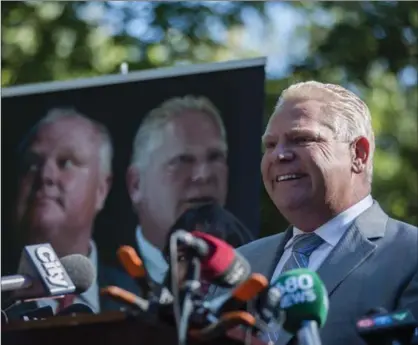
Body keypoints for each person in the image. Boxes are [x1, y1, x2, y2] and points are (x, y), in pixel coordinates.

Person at [237, 81, 417, 345]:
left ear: (359, 154)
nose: (279, 155)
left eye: (302, 139)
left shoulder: (410, 255)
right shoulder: (239, 264)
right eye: (270, 145)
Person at [8, 108, 136, 317]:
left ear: (101, 190)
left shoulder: (139, 301)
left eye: (65, 163)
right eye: (32, 163)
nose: (45, 175)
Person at [126, 96, 252, 285]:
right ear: (136, 184)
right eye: (182, 160)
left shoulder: (255, 262)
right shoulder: (97, 286)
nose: (203, 175)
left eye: (215, 157)